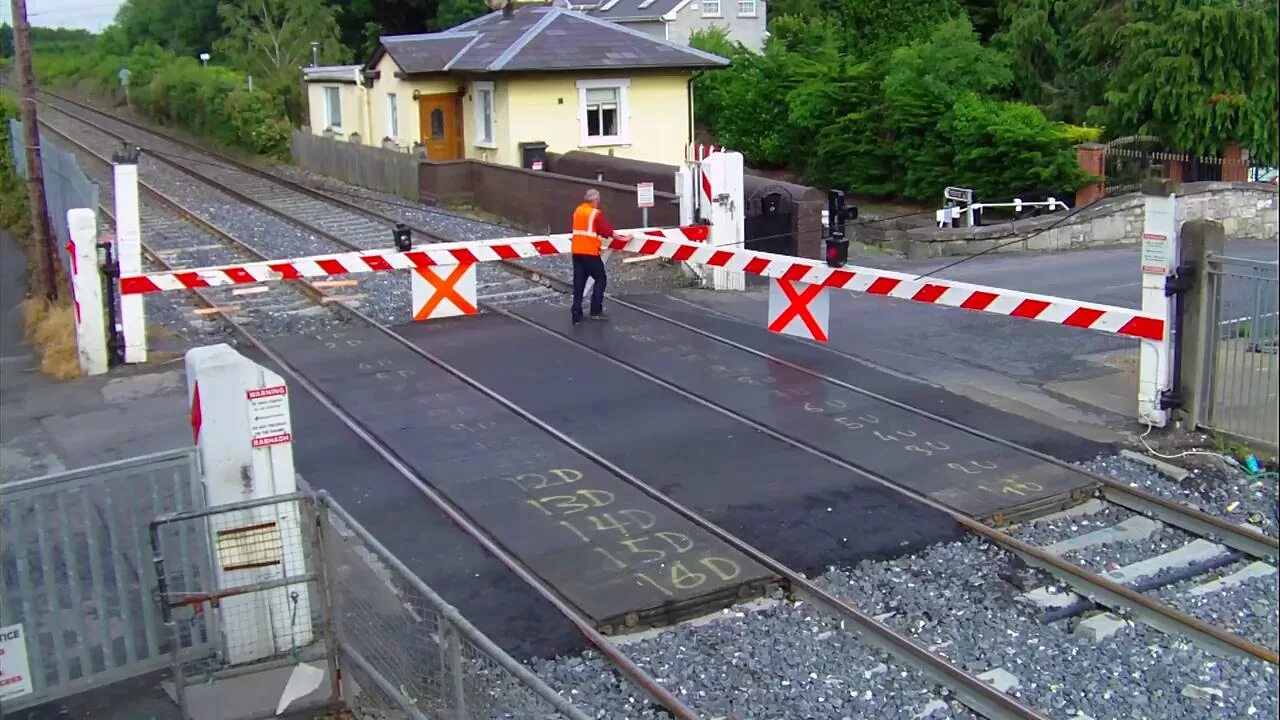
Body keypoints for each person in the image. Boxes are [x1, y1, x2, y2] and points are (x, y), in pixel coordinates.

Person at [569, 189, 628, 324]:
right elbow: (606, 230)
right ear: (595, 200)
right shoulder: (595, 213)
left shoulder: (578, 210)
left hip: (577, 252)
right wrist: (623, 238)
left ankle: (576, 313)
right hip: (590, 252)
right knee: (600, 278)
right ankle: (595, 310)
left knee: (579, 283)